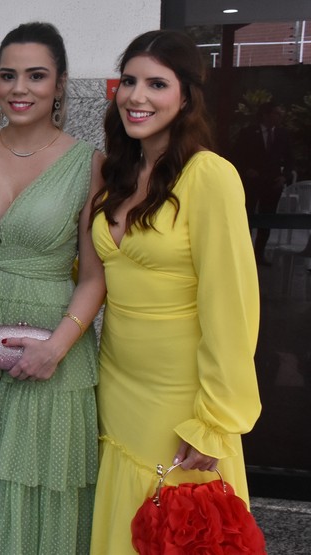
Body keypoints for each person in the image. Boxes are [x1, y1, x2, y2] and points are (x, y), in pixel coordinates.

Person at [89, 30, 261, 554]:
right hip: (116, 384)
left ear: (185, 98)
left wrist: (214, 420)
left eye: (157, 84)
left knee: (177, 532)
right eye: (130, 81)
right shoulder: (120, 173)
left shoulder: (210, 175)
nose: (137, 96)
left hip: (180, 398)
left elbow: (232, 306)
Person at [0, 23, 105, 554]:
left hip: (51, 341)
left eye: (36, 76)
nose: (19, 88)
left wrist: (56, 348)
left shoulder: (89, 163)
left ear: (60, 84)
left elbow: (95, 276)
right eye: (7, 76)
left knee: (35, 488)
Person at [230, 101, 293, 264]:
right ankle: (243, 253)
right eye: (276, 114)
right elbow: (236, 155)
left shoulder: (282, 134)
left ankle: (259, 253)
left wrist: (284, 177)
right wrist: (246, 170)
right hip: (252, 182)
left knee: (267, 218)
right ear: (266, 115)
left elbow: (289, 158)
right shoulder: (249, 132)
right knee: (248, 216)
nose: (279, 117)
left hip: (272, 182)